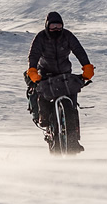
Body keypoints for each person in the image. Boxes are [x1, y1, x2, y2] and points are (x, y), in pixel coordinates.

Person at [25, 11, 95, 153]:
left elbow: (79, 51)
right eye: (53, 26)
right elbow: (34, 55)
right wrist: (32, 70)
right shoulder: (41, 37)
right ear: (47, 26)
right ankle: (48, 125)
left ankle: (74, 140)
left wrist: (87, 66)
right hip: (45, 75)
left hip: (64, 75)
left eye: (59, 26)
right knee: (43, 101)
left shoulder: (67, 36)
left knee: (72, 106)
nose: (56, 29)